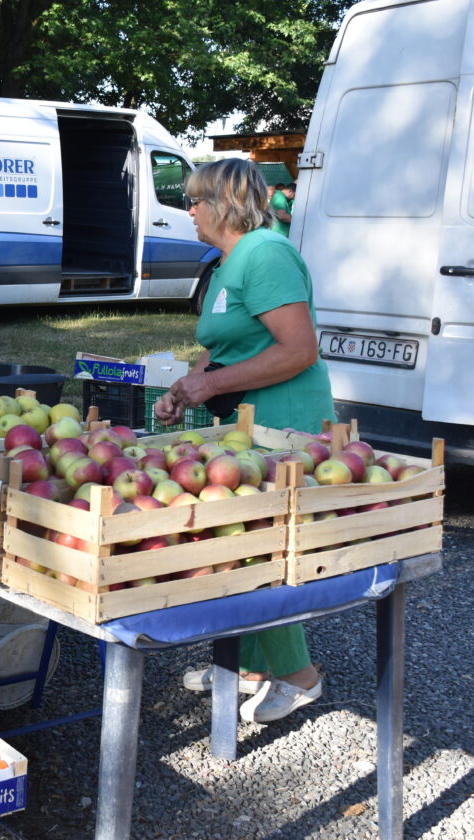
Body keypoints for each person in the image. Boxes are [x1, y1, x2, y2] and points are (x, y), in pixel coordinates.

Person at [155, 158, 332, 723]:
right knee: (233, 543)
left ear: (224, 203)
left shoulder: (266, 254)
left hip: (284, 427)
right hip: (243, 427)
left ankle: (300, 676)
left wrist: (210, 382)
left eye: (195, 200)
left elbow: (299, 349)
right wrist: (189, 385)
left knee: (259, 547)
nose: (188, 211)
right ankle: (247, 666)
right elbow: (225, 342)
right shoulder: (229, 260)